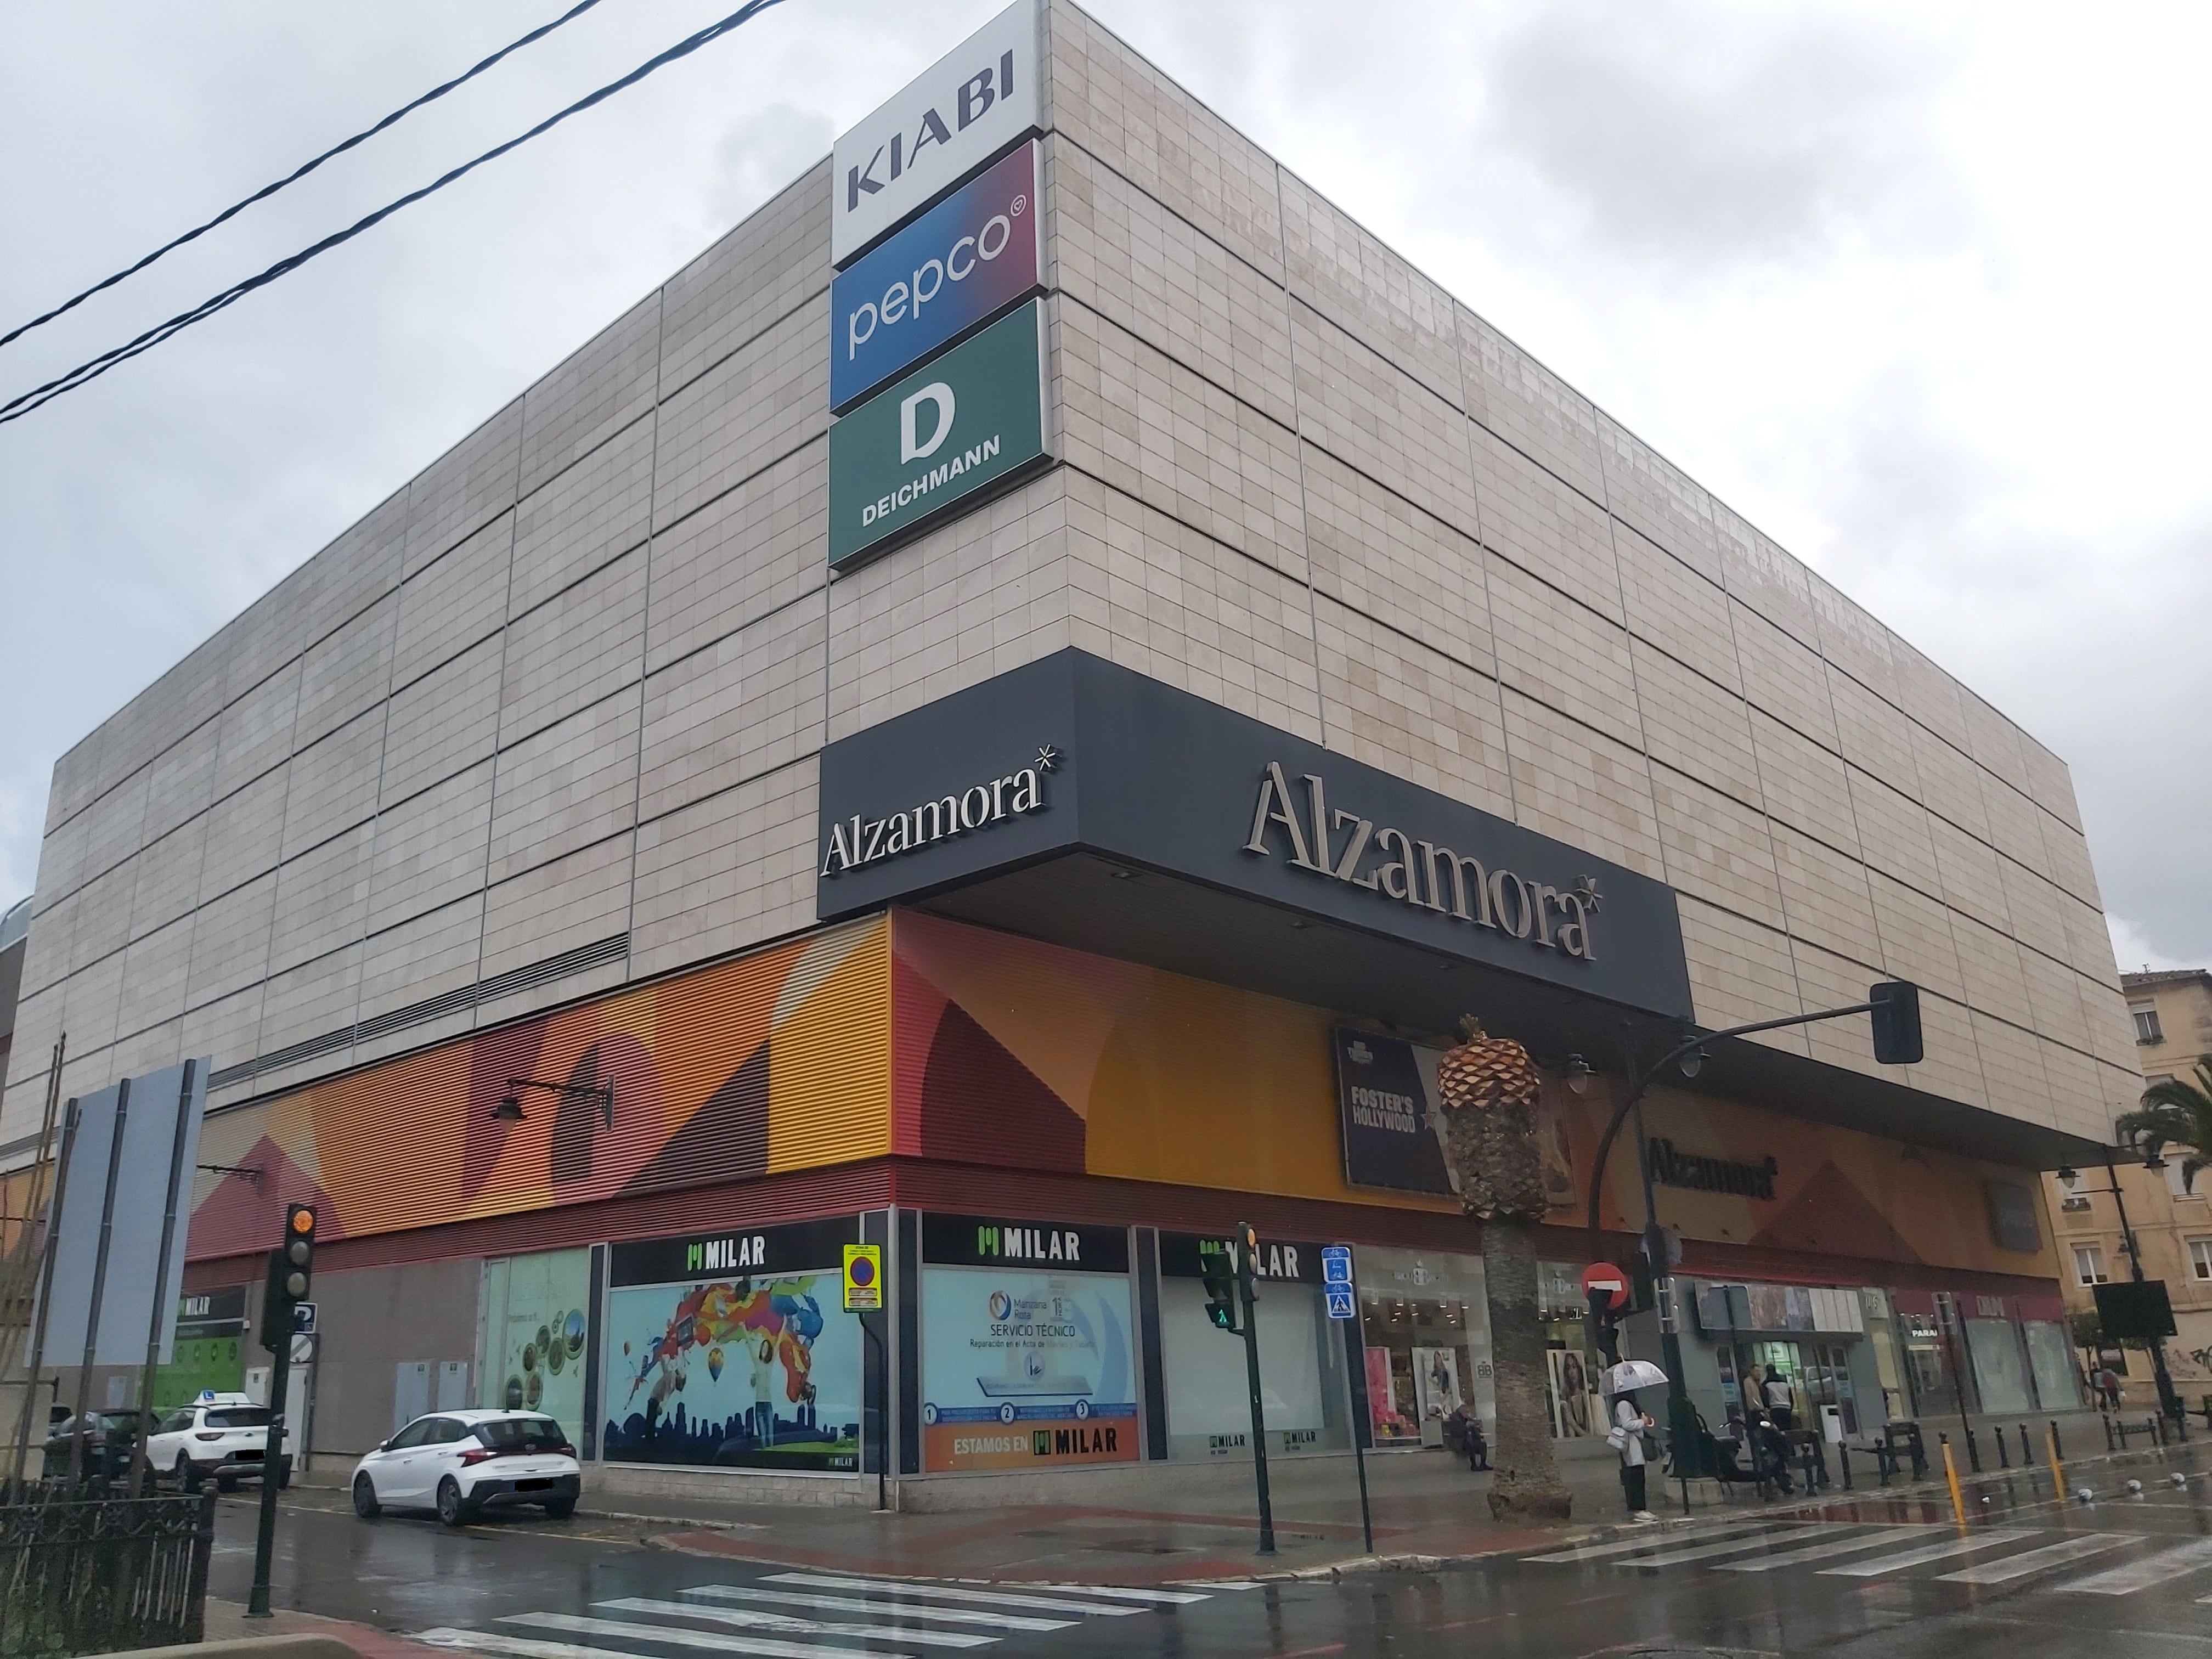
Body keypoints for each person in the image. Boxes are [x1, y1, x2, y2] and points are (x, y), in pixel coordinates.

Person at [1611, 1390, 1658, 1521]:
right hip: (1632, 1445)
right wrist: (1643, 1422)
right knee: (1636, 1477)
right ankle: (1638, 1509)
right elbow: (1627, 1424)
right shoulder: (1624, 1404)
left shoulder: (1627, 1405)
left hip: (1635, 1445)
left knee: (1638, 1476)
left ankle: (1640, 1508)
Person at [1762, 1366, 1795, 1432]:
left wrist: (1767, 1409)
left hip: (1775, 1410)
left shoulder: (1767, 1385)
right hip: (1786, 1409)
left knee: (1777, 1431)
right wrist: (1790, 1409)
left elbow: (1765, 1399)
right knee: (1787, 1430)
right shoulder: (1785, 1384)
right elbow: (1791, 1399)